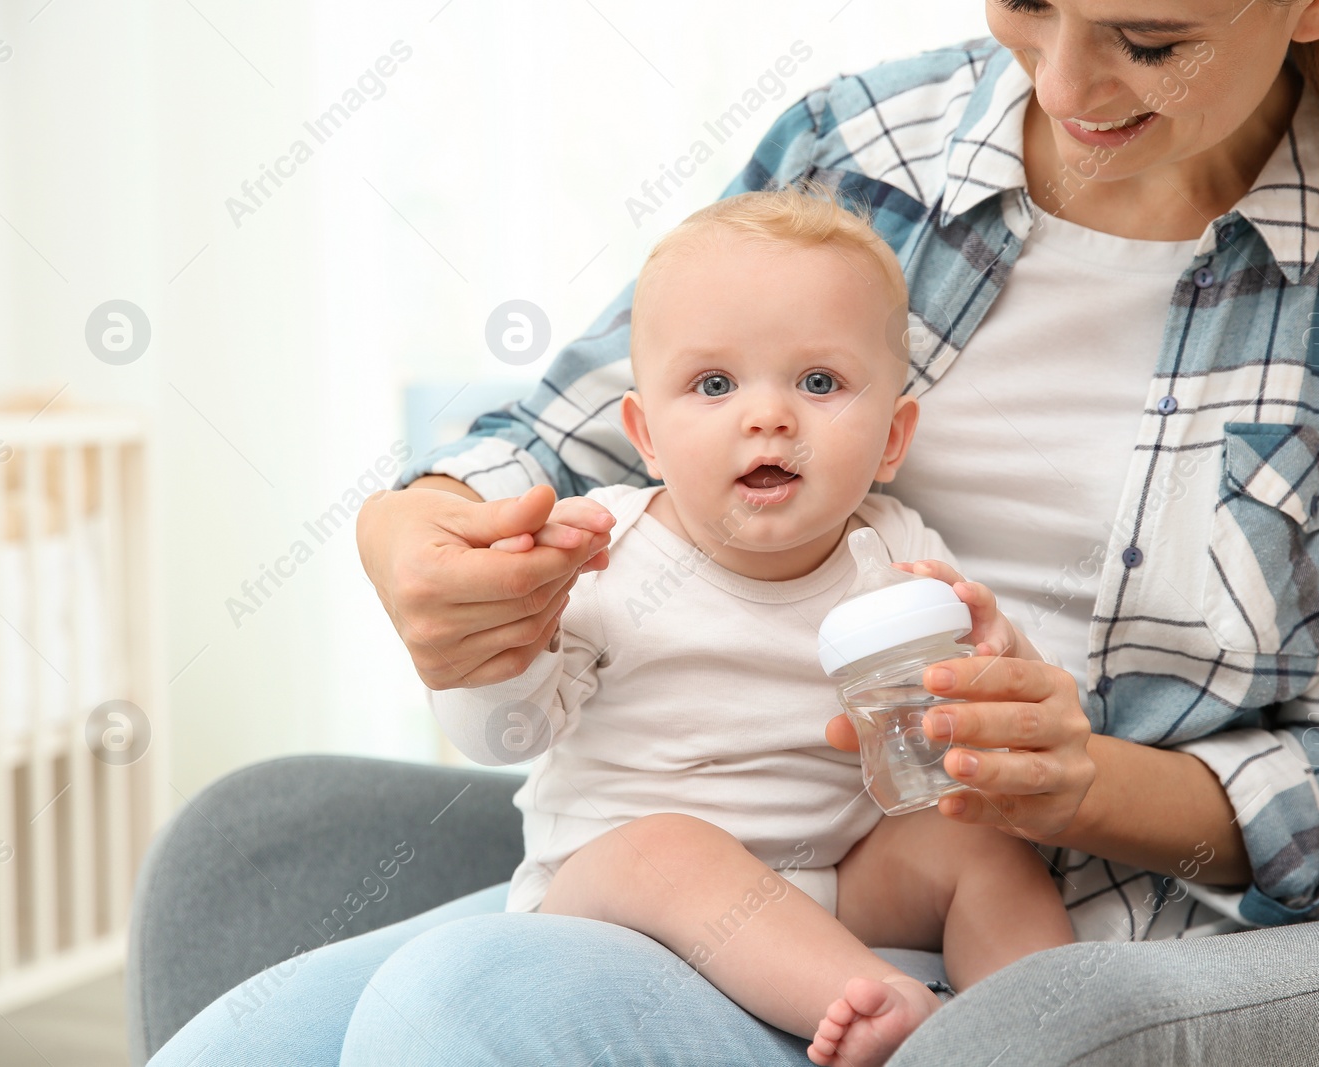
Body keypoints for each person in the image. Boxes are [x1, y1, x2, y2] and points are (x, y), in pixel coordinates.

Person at [149, 0, 1319, 1062]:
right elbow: (549, 440)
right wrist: (419, 534)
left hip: (1029, 925)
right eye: (1025, 3)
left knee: (459, 1005)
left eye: (1150, 40)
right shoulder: (862, 144)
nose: (1062, 85)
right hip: (702, 856)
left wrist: (1074, 779)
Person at [432, 182, 1075, 1067]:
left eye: (819, 381)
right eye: (714, 382)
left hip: (833, 884)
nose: (767, 414)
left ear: (893, 439)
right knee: (666, 847)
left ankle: (1061, 1032)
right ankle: (878, 1001)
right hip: (615, 901)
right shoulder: (601, 552)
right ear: (646, 434)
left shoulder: (896, 551)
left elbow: (982, 716)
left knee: (974, 838)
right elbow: (498, 734)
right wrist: (509, 640)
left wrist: (997, 660)